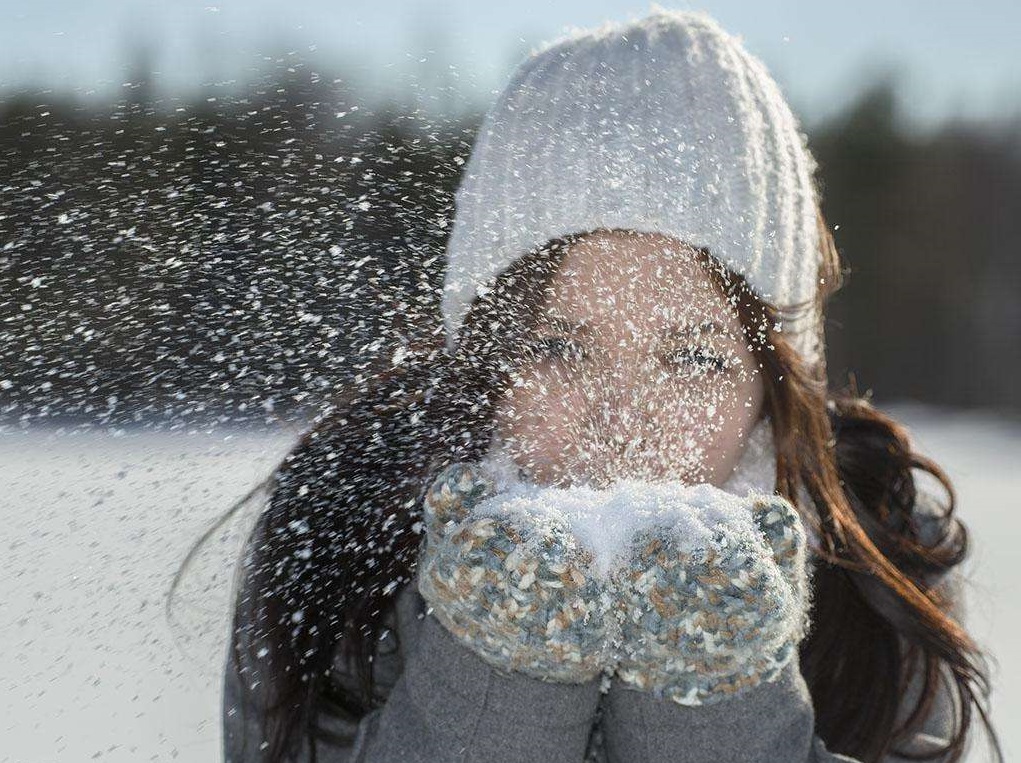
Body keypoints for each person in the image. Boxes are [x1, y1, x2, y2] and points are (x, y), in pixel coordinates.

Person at [216, 7, 1001, 762]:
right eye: (560, 348)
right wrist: (496, 675)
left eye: (693, 358)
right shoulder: (346, 539)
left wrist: (716, 693)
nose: (622, 423)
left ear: (774, 384)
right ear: (483, 360)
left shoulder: (876, 565)